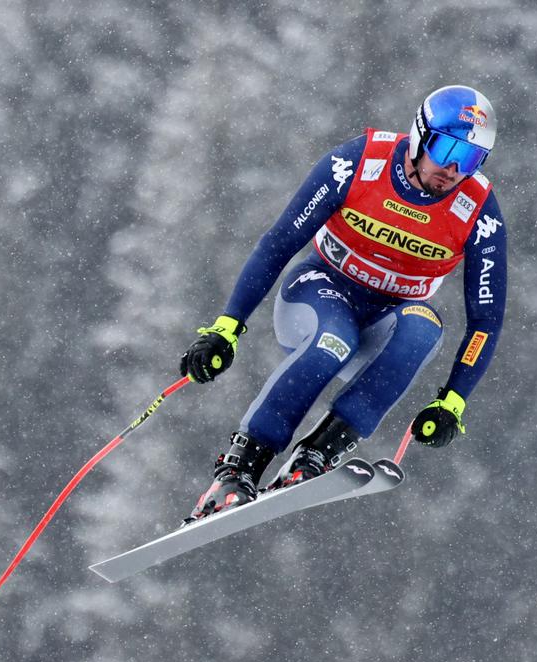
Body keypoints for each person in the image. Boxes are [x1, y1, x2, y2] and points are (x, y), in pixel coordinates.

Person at [179, 84, 508, 519]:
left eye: (469, 158)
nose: (452, 168)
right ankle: (238, 469)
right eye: (446, 148)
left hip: (384, 324)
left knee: (424, 326)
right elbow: (279, 244)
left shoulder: (477, 210)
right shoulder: (359, 163)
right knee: (334, 339)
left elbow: (485, 320)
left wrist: (454, 400)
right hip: (318, 295)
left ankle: (317, 453)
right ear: (421, 134)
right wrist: (228, 327)